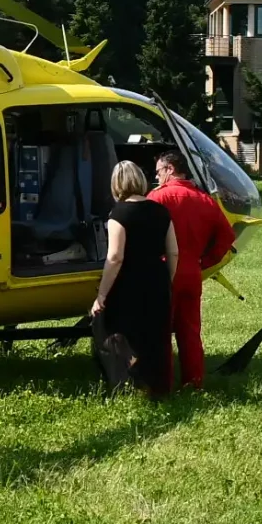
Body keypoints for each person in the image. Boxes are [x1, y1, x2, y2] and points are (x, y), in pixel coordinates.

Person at [89, 161, 179, 397]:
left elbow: (115, 257)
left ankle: (128, 379)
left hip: (128, 280)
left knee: (121, 330)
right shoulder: (161, 211)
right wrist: (168, 279)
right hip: (156, 276)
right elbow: (173, 252)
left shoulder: (118, 214)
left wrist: (101, 294)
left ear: (116, 184)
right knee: (155, 333)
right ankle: (156, 387)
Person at [149, 150, 236, 392]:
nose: (156, 177)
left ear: (170, 169)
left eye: (158, 172)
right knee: (190, 331)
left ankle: (162, 385)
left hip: (164, 270)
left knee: (160, 331)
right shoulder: (205, 200)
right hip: (192, 270)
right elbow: (227, 236)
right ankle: (194, 383)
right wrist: (205, 262)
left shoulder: (157, 197)